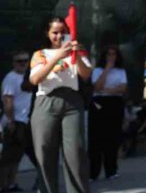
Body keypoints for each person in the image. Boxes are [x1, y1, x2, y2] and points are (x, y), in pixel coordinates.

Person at [28, 17, 92, 193]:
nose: (59, 36)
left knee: (76, 155)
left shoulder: (78, 51)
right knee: (45, 153)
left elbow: (85, 74)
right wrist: (57, 56)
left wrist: (75, 54)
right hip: (46, 101)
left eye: (63, 32)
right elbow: (35, 79)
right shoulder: (40, 54)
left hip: (72, 102)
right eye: (55, 32)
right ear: (48, 34)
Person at [1, 53, 43, 193]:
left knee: (16, 158)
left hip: (26, 122)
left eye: (26, 61)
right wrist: (11, 121)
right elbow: (7, 101)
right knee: (8, 158)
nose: (23, 64)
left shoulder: (28, 77)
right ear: (13, 63)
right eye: (19, 61)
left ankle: (11, 184)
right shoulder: (10, 78)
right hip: (14, 122)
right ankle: (3, 185)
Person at [88, 45, 127, 180]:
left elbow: (122, 89)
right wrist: (107, 69)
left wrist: (106, 90)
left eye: (114, 54)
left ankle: (111, 170)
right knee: (96, 138)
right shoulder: (97, 70)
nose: (111, 57)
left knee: (113, 137)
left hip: (115, 104)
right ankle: (93, 172)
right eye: (108, 54)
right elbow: (97, 87)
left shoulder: (121, 71)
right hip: (99, 103)